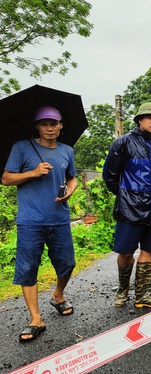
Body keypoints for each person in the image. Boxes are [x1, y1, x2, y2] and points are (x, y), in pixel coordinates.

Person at [2, 106, 78, 342]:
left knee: (67, 264)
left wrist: (70, 192)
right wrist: (32, 173)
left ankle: (57, 294)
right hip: (30, 221)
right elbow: (6, 178)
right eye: (44, 123)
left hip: (59, 218)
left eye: (53, 123)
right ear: (37, 125)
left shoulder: (67, 151)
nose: (49, 128)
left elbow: (72, 177)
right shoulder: (21, 147)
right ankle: (35, 318)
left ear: (61, 125)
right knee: (27, 270)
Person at [102, 102, 151, 309]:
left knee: (149, 250)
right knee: (125, 252)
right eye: (150, 117)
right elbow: (110, 176)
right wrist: (126, 195)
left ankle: (143, 295)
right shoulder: (123, 143)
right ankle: (123, 290)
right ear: (139, 119)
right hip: (130, 209)